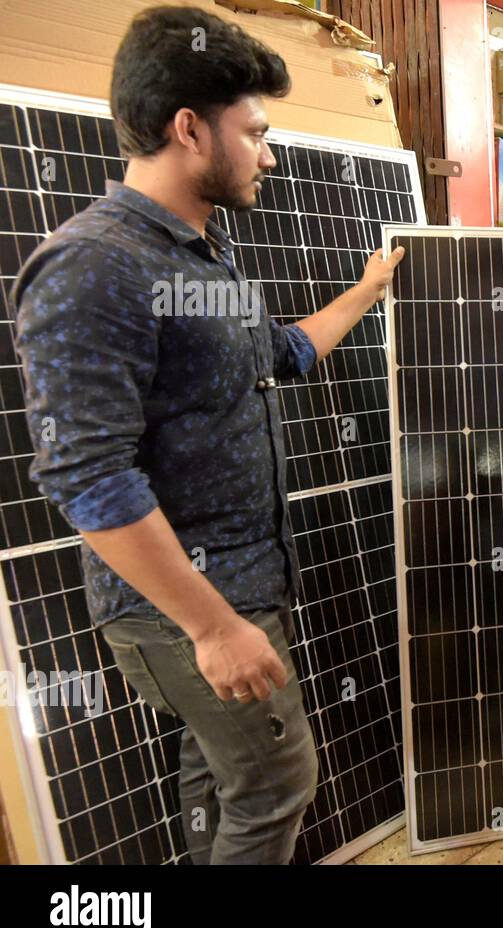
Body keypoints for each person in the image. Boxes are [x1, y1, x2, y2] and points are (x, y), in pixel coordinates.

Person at [12, 5, 405, 863]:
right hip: (192, 606)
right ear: (190, 128)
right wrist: (216, 627)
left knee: (218, 774)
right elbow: (89, 480)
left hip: (239, 589)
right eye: (256, 132)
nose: (269, 153)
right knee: (275, 783)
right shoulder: (93, 265)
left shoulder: (198, 255)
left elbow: (285, 352)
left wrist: (371, 288)